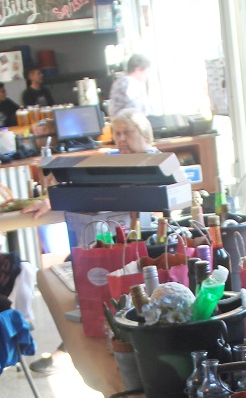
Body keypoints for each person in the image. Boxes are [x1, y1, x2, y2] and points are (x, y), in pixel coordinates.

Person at [25, 108, 161, 373]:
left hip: (147, 242)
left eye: (127, 132)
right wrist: (52, 200)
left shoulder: (157, 163)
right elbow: (90, 191)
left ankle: (73, 349)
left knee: (90, 268)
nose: (121, 139)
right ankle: (79, 345)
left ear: (144, 133)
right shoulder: (116, 163)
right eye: (117, 134)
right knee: (79, 264)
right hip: (121, 237)